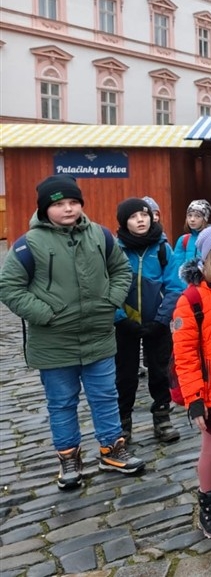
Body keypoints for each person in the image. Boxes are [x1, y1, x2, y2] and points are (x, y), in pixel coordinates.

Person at [0, 175, 144, 491]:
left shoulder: (100, 236)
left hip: (98, 336)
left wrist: (111, 301)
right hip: (54, 343)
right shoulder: (28, 244)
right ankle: (69, 458)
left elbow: (121, 270)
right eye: (59, 204)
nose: (68, 209)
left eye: (73, 202)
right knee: (62, 403)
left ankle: (112, 449)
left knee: (106, 396)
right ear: (45, 209)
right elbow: (9, 287)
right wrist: (45, 314)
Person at [172, 224, 211, 539]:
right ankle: (209, 502)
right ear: (208, 257)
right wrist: (194, 398)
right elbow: (184, 355)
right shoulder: (192, 299)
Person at [113, 198, 185, 443]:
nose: (140, 220)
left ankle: (162, 416)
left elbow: (175, 286)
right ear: (124, 222)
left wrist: (161, 319)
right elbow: (106, 287)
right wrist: (120, 319)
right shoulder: (116, 250)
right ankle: (123, 421)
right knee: (125, 375)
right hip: (125, 325)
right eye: (133, 217)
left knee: (160, 371)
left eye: (143, 215)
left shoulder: (163, 248)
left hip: (158, 323)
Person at [173, 199, 211, 268]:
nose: (192, 219)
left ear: (205, 219)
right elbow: (177, 266)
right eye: (189, 215)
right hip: (186, 274)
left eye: (197, 216)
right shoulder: (183, 240)